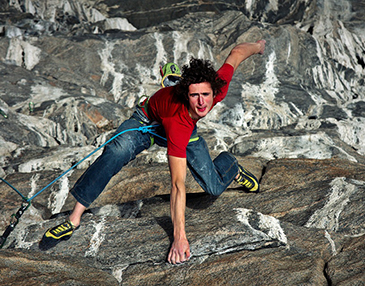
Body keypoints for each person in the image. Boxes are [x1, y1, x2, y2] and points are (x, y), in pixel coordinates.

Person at [39, 40, 266, 264]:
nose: (201, 102)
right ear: (186, 94)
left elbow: (236, 53)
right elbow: (177, 183)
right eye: (194, 95)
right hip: (147, 122)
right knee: (117, 151)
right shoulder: (179, 120)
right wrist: (179, 238)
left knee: (214, 188)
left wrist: (258, 46)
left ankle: (232, 167)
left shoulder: (217, 87)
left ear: (214, 91)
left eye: (205, 95)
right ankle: (74, 219)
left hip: (182, 127)